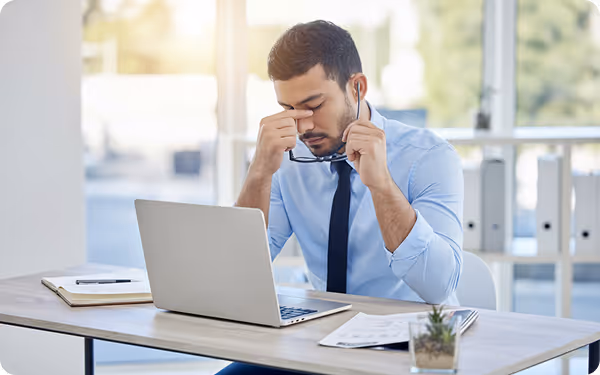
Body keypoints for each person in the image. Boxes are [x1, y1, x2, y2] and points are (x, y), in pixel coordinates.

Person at [217, 20, 464, 375]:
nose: (302, 126)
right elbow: (237, 272)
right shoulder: (289, 161)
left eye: (313, 105)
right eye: (288, 109)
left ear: (357, 87)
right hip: (324, 337)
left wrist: (381, 186)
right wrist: (259, 172)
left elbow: (438, 286)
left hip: (418, 339)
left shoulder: (429, 157)